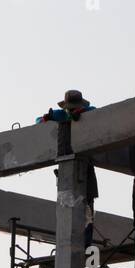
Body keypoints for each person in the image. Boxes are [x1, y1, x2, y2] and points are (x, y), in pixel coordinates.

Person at [37, 90, 99, 250]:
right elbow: (39, 122)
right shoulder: (62, 115)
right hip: (67, 172)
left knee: (87, 211)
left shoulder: (87, 114)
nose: (72, 111)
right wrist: (47, 118)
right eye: (71, 108)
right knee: (69, 207)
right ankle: (70, 243)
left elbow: (96, 112)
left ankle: (85, 245)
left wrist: (81, 113)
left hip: (85, 170)